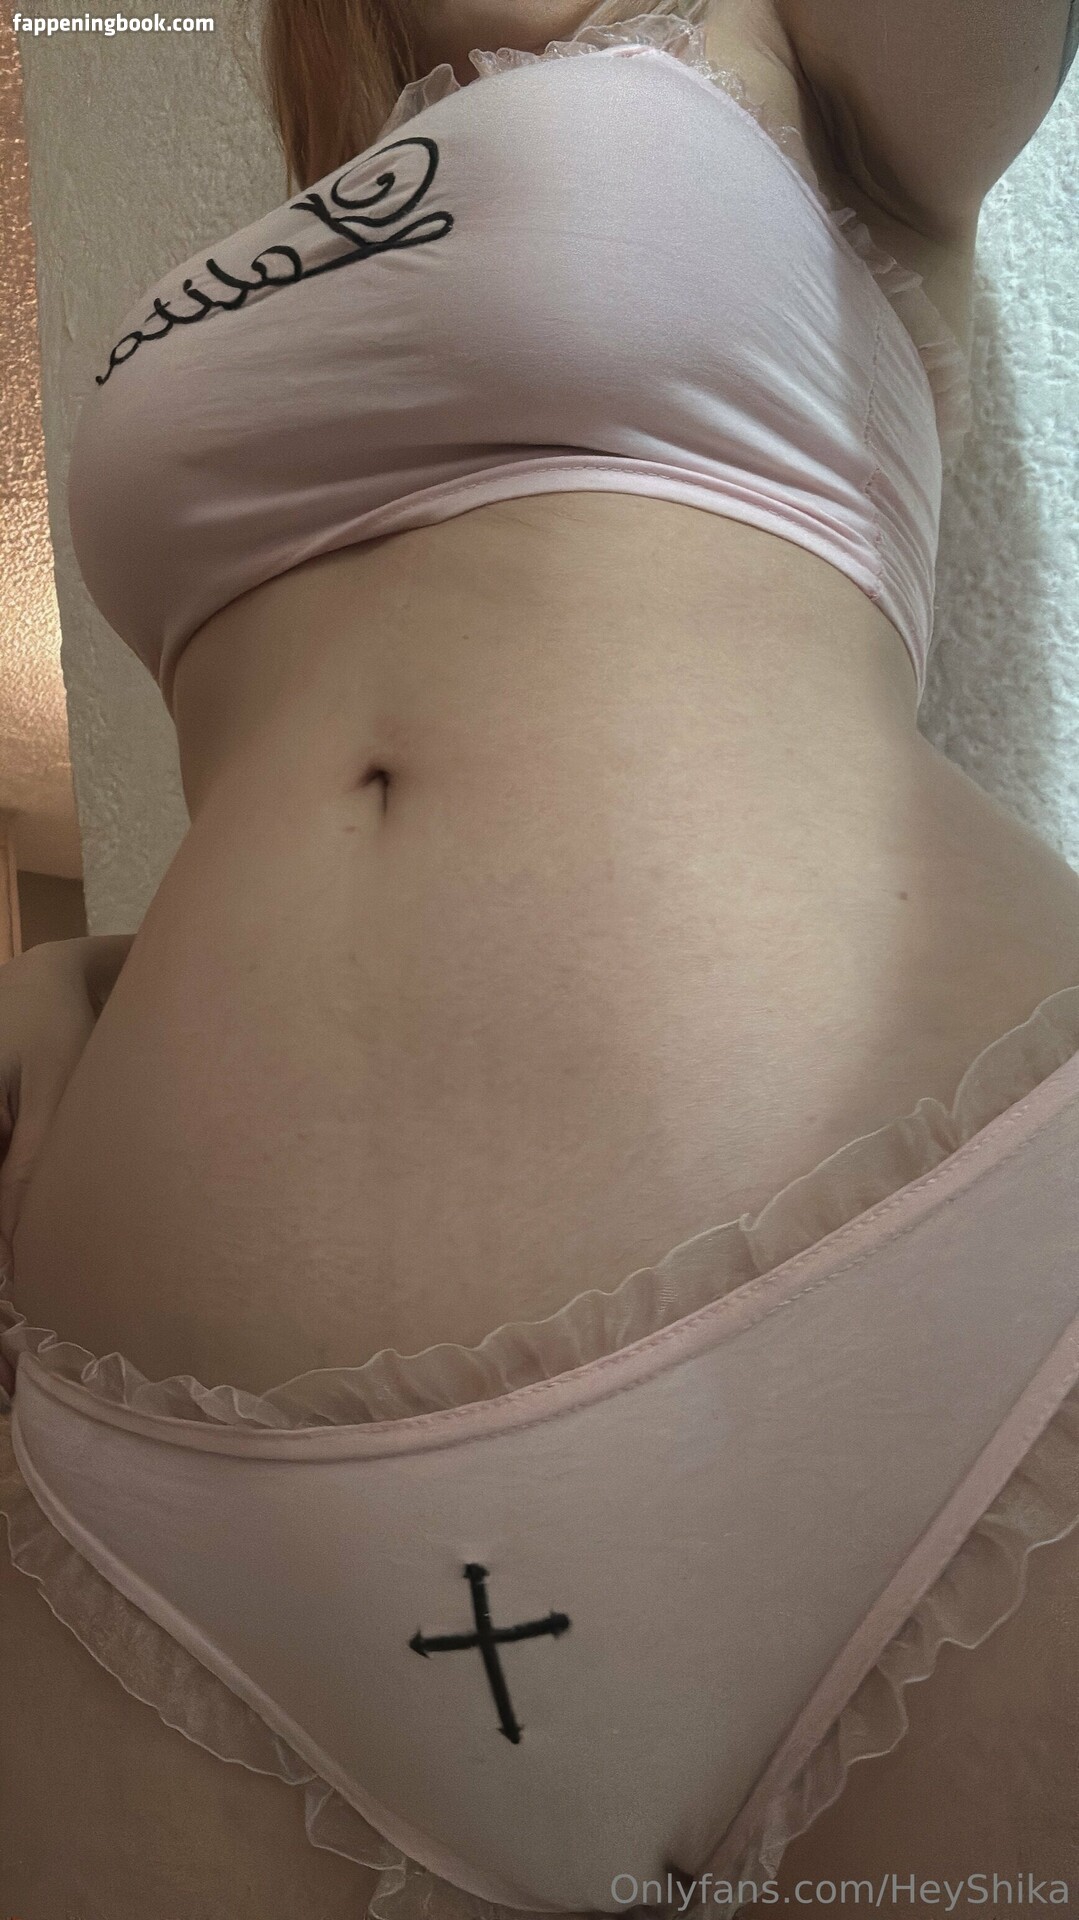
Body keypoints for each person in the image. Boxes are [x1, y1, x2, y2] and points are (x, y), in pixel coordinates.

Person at [3, 2, 1079, 1915]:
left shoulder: (789, 62)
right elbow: (334, 744)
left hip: (938, 1314)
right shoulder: (280, 220)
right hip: (181, 1491)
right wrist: (107, 983)